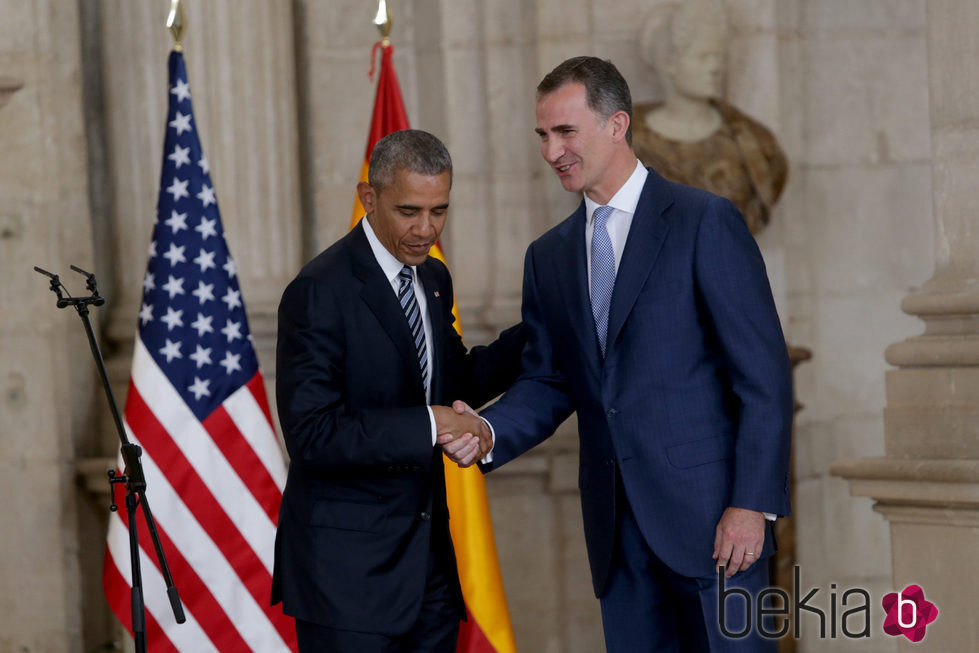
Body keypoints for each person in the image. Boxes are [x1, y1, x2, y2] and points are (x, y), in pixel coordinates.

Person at [451, 56, 792, 651]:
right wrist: (485, 428)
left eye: (565, 132)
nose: (551, 150)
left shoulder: (703, 221)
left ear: (617, 125)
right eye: (543, 135)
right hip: (617, 536)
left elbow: (763, 378)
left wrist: (751, 505)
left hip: (715, 526)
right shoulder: (549, 255)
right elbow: (552, 378)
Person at [272, 129, 524, 652]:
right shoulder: (319, 290)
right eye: (409, 210)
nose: (426, 229)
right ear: (370, 197)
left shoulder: (432, 278)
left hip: (427, 570)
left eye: (439, 211)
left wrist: (546, 328)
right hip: (348, 580)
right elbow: (313, 434)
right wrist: (433, 425)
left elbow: (455, 381)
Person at [632, 0, 788, 235]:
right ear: (669, 63)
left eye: (719, 57)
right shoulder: (626, 142)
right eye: (703, 57)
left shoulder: (755, 142)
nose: (716, 67)